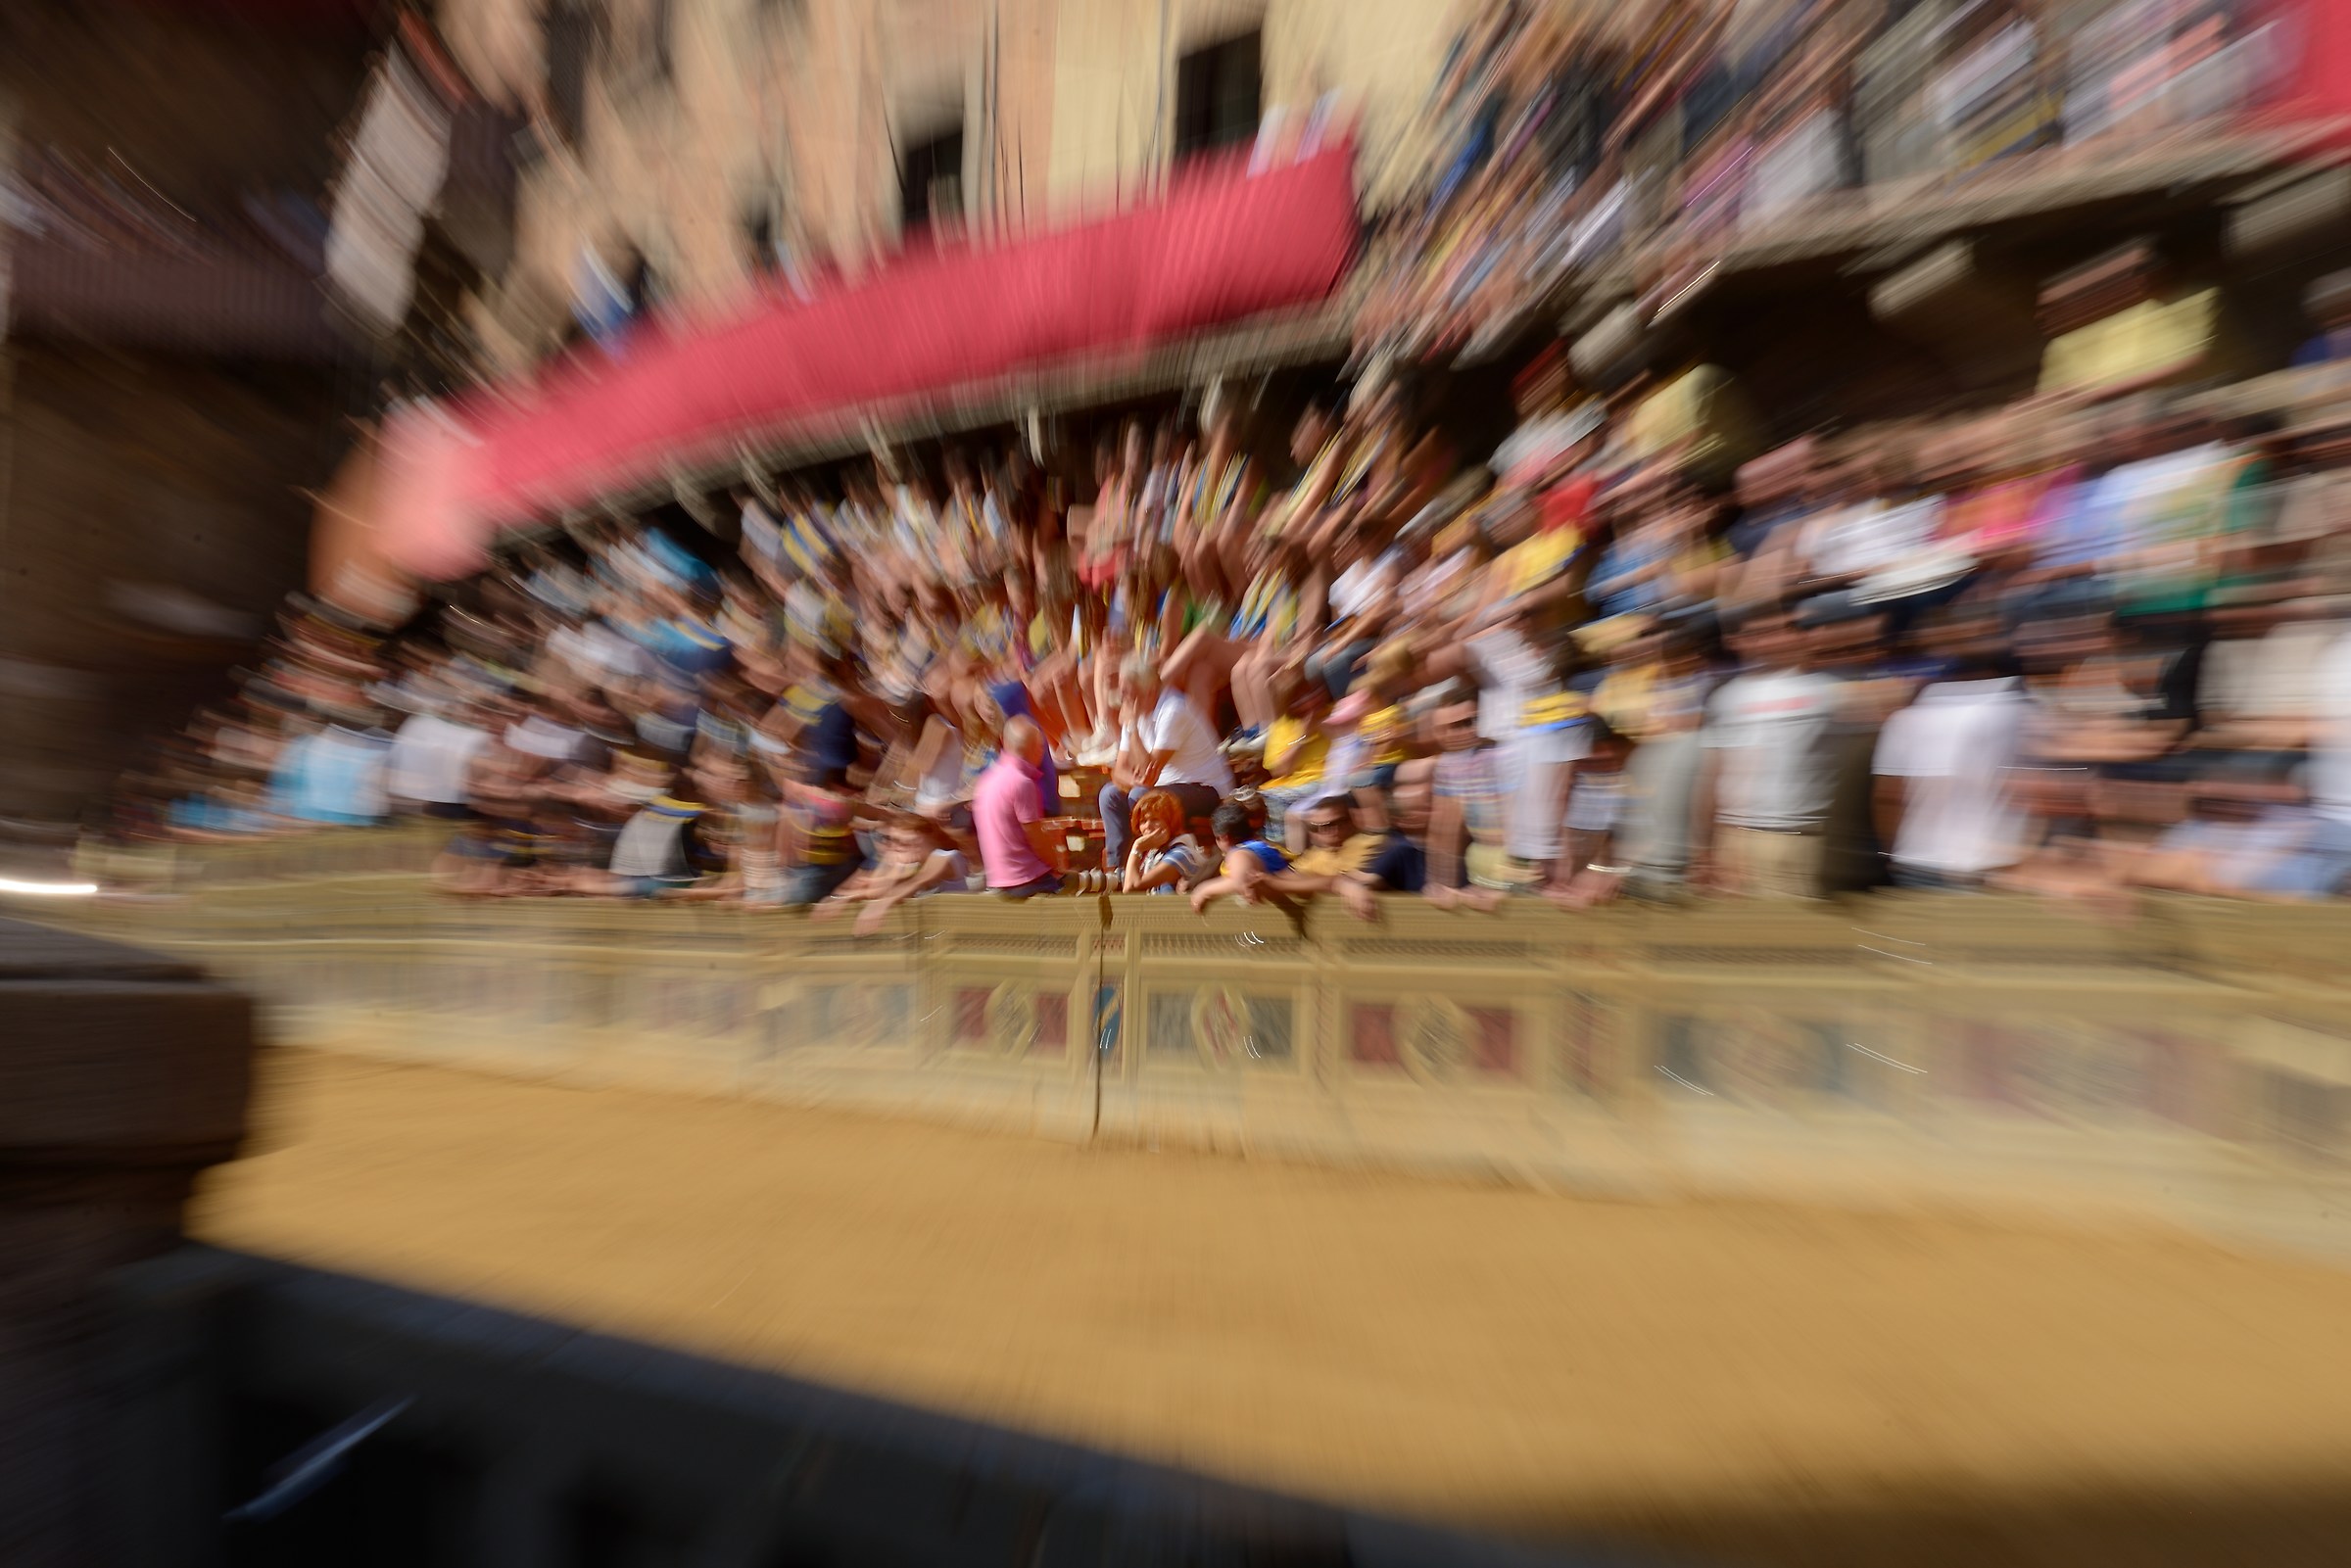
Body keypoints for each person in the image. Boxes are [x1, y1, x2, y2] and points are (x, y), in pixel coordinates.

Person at [1099, 655, 1232, 866]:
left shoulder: (1173, 710)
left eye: (1127, 689)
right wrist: (1135, 781)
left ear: (1149, 690)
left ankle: (1155, 864)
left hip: (1205, 789)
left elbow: (1149, 770)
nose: (1121, 695)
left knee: (1141, 796)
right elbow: (1119, 770)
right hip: (1164, 788)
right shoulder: (1134, 709)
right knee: (1110, 795)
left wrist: (1132, 726)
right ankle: (1118, 869)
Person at [975, 715, 1069, 897]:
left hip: (996, 879)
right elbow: (1036, 838)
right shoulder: (1022, 783)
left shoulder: (986, 780)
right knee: (1077, 888)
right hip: (1025, 880)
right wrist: (1057, 865)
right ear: (1038, 749)